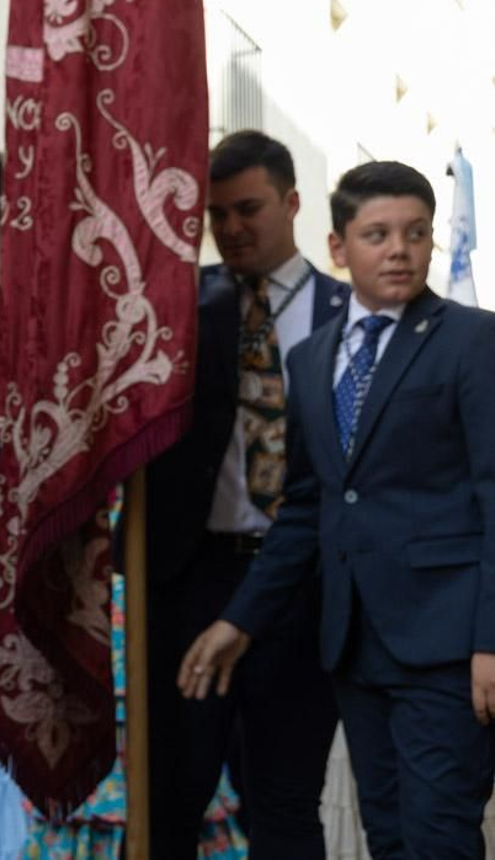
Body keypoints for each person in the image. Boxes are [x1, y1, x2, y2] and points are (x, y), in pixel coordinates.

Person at [182, 160, 495, 858]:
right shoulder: (312, 356)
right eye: (378, 234)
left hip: (448, 645)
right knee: (389, 836)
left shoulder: (474, 340)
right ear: (338, 245)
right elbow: (308, 503)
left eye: (417, 233)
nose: (400, 250)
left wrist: (491, 641)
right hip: (354, 643)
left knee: (439, 838)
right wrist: (241, 619)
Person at [135, 131, 347, 856]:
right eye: (216, 214)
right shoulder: (178, 307)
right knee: (172, 796)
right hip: (192, 582)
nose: (230, 229)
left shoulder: (347, 314)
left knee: (284, 804)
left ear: (292, 203)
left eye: (248, 209)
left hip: (303, 588)